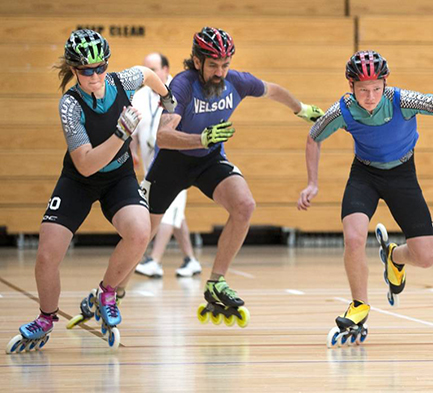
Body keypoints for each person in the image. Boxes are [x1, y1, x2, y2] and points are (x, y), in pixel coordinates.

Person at [297, 50, 433, 347]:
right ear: (351, 87)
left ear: (386, 83)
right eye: (363, 90)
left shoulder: (403, 100)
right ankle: (359, 305)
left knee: (426, 257)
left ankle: (393, 256)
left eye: (376, 88)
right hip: (365, 176)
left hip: (403, 175)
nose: (370, 96)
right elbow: (313, 137)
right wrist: (312, 183)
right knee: (354, 237)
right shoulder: (341, 111)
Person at [134, 27, 324, 326]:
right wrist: (201, 138)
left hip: (208, 159)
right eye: (213, 65)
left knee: (245, 205)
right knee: (140, 233)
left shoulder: (237, 81)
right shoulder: (180, 87)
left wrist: (300, 109)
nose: (220, 71)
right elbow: (163, 136)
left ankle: (215, 283)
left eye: (225, 64)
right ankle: (110, 291)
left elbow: (272, 89)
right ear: (197, 61)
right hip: (172, 162)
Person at [6, 29, 175, 353]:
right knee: (46, 253)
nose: (95, 76)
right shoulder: (70, 105)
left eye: (100, 68)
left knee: (140, 231)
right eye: (87, 71)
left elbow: (149, 74)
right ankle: (45, 318)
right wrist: (120, 134)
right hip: (79, 180)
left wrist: (167, 98)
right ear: (74, 71)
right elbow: (85, 164)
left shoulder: (122, 81)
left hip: (119, 177)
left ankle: (106, 293)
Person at [130, 52, 201, 278]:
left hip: (177, 162)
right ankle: (191, 260)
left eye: (153, 68)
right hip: (151, 164)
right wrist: (132, 152)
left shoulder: (179, 92)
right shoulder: (140, 96)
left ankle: (155, 260)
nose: (148, 74)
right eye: (146, 69)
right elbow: (132, 129)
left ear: (166, 70)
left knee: (169, 210)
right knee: (175, 213)